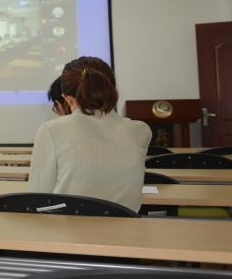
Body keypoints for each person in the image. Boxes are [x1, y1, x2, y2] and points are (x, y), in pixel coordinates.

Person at [29, 56, 151, 212]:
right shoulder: (141, 131)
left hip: (67, 227)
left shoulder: (51, 130)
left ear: (67, 99)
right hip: (126, 227)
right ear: (112, 90)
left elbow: (37, 199)